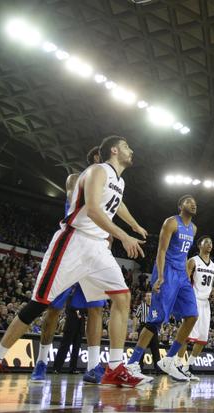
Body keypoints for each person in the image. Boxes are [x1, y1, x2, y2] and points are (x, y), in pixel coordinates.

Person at [0, 135, 149, 387]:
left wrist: (134, 224)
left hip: (98, 247)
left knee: (122, 297)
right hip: (74, 241)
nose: (132, 149)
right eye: (126, 146)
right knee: (38, 304)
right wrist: (124, 235)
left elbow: (118, 204)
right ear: (114, 150)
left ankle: (114, 367)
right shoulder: (98, 170)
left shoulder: (119, 181)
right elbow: (93, 209)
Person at [31, 146, 137, 384]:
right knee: (53, 309)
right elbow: (81, 203)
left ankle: (93, 367)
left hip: (95, 251)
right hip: (74, 246)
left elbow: (112, 210)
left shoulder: (112, 183)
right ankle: (41, 361)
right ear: (97, 159)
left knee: (96, 309)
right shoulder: (78, 178)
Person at [126, 195, 199, 382]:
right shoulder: (171, 222)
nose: (193, 204)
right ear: (180, 205)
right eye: (188, 201)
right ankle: (132, 363)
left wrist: (187, 276)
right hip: (166, 271)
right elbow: (161, 250)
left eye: (195, 202)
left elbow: (184, 254)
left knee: (192, 315)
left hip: (182, 274)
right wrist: (159, 276)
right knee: (155, 319)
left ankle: (169, 359)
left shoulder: (194, 228)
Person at [170, 235, 214, 382]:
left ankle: (187, 368)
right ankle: (177, 366)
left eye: (211, 242)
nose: (210, 244)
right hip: (193, 300)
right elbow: (183, 279)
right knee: (186, 336)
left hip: (205, 303)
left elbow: (209, 285)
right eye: (206, 242)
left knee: (202, 339)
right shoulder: (193, 261)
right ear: (199, 245)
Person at [51, 290, 85, 374]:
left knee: (76, 348)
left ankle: (73, 368)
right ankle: (57, 368)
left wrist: (80, 312)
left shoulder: (84, 299)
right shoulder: (71, 296)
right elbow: (70, 308)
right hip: (70, 325)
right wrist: (79, 312)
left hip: (80, 326)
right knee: (64, 346)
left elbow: (86, 311)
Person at [133, 292, 161, 373]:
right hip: (144, 327)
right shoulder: (141, 306)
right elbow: (136, 317)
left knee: (155, 349)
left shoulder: (155, 307)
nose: (149, 297)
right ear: (145, 298)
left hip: (153, 328)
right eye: (147, 296)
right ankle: (140, 368)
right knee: (141, 349)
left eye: (150, 296)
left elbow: (158, 318)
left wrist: (160, 329)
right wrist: (134, 331)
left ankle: (158, 369)